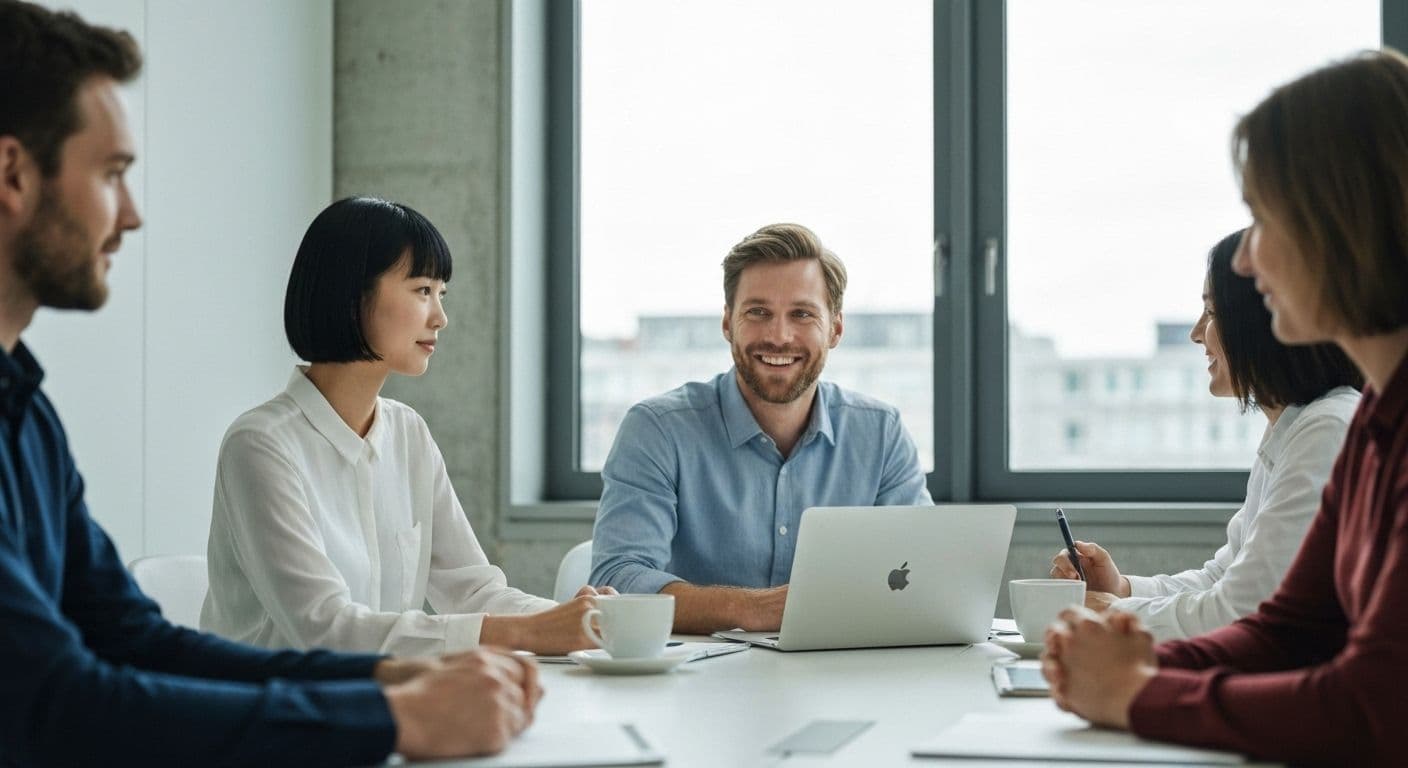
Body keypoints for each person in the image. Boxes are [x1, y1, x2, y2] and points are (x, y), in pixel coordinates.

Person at [0, 2, 538, 763]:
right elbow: (56, 701)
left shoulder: (27, 415)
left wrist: (390, 681)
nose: (134, 215)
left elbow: (136, 639)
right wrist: (390, 716)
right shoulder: (261, 442)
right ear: (14, 175)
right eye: (112, 174)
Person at [1042, 49, 1408, 766]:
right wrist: (1116, 666)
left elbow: (1375, 707)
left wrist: (1136, 693)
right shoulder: (1374, 423)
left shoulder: (1349, 426)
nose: (1245, 262)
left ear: (1347, 222)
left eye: (1264, 219)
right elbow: (1287, 629)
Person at [202, 196, 611, 657]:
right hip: (275, 697)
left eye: (441, 293)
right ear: (352, 294)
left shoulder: (408, 432)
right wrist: (528, 633)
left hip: (384, 692)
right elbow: (324, 629)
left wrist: (577, 618)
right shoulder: (260, 445)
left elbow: (473, 591)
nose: (440, 317)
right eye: (422, 291)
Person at [590, 223, 932, 633]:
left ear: (836, 329)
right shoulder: (657, 430)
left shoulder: (881, 434)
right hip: (698, 671)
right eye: (758, 313)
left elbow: (925, 574)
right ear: (727, 323)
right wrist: (752, 608)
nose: (779, 336)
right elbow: (617, 579)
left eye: (802, 314)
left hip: (842, 665)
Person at [1047, 229, 1361, 641]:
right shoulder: (1290, 430)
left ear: (1261, 319)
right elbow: (1224, 579)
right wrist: (1122, 589)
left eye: (1212, 313)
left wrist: (1116, 612)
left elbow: (1242, 609)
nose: (1197, 333)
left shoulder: (1326, 431)